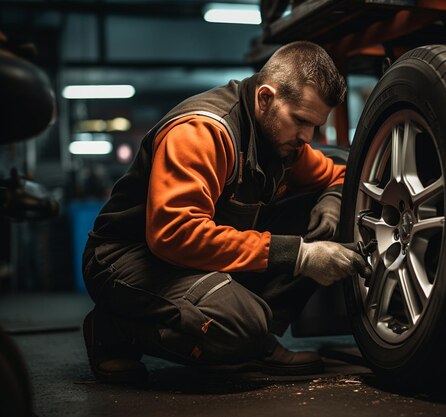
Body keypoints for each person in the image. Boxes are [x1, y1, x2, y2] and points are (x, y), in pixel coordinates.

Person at [81, 40, 372, 384]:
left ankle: (258, 341)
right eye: (300, 121)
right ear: (265, 98)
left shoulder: (282, 141)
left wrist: (332, 202)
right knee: (240, 325)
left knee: (317, 219)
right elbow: (175, 234)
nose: (307, 137)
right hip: (129, 259)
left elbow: (338, 174)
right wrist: (300, 255)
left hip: (191, 257)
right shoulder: (202, 132)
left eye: (315, 126)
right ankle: (114, 328)